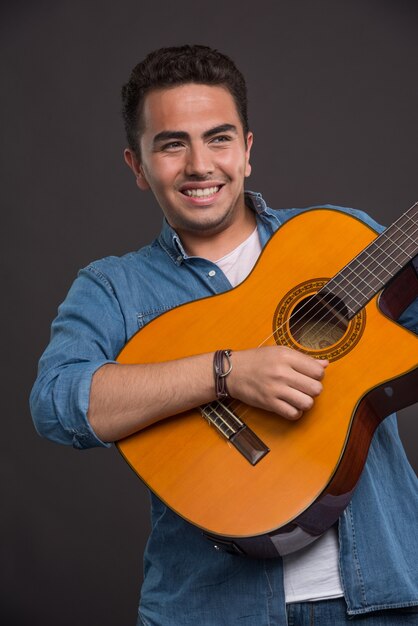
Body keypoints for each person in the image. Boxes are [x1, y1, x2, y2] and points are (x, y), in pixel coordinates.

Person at [30, 45, 418, 626]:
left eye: (218, 138)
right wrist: (226, 372)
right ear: (137, 166)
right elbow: (58, 404)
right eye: (171, 144)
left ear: (247, 150)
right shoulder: (114, 287)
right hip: (208, 609)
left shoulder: (336, 239)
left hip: (385, 597)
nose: (199, 165)